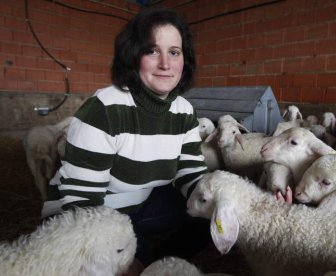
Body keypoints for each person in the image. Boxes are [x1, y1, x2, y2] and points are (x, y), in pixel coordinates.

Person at [41, 7, 210, 273]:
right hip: (88, 215)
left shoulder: (184, 111)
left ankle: (155, 261)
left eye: (174, 52)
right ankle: (145, 261)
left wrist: (243, 205)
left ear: (183, 60)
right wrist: (123, 258)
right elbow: (82, 202)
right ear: (133, 56)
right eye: (152, 51)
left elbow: (191, 173)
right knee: (128, 261)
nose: (165, 64)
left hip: (141, 205)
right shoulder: (105, 108)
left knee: (211, 214)